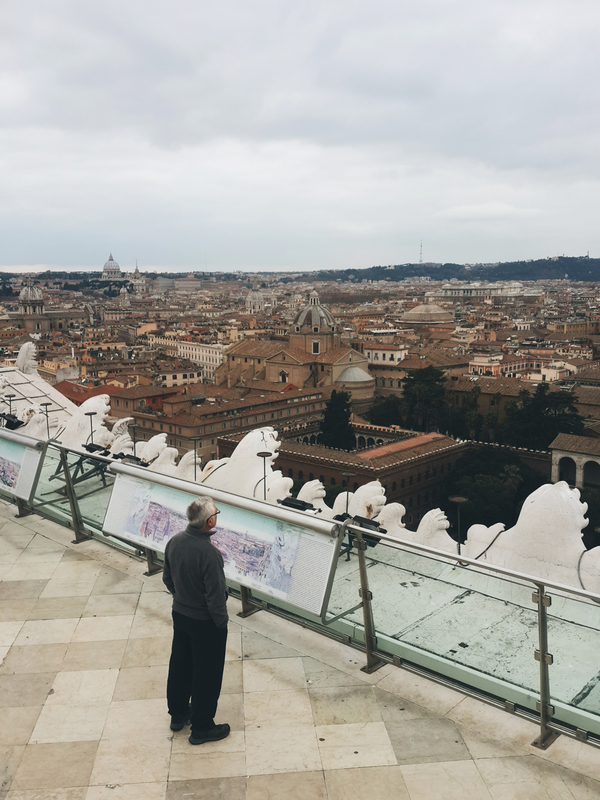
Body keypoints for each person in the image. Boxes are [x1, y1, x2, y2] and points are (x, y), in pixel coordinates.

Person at [163, 496, 230, 745]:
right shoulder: (209, 554)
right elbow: (215, 598)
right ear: (209, 521)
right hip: (205, 623)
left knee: (180, 663)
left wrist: (181, 598)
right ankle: (202, 726)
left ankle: (178, 714)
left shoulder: (175, 541)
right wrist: (220, 624)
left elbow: (167, 578)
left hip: (180, 614)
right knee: (206, 674)